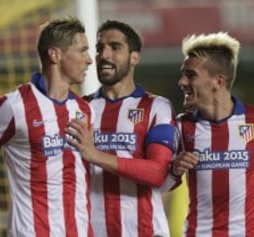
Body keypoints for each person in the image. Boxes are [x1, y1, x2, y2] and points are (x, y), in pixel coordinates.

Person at [0, 17, 94, 237]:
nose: (89, 60)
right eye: (82, 51)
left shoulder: (84, 109)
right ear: (55, 54)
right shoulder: (12, 106)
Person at [167, 31, 254, 236]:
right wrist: (173, 170)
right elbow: (162, 184)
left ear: (218, 81)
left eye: (190, 75)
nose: (181, 82)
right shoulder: (181, 127)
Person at [65, 20, 178, 237]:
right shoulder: (79, 108)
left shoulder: (156, 107)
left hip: (146, 232)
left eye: (115, 47)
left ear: (134, 57)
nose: (104, 55)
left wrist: (96, 155)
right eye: (99, 48)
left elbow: (157, 172)